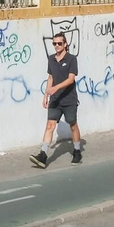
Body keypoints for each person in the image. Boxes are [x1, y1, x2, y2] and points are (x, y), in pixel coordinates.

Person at [32, 32, 82, 167]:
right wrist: (46, 95)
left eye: (59, 43)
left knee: (72, 124)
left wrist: (56, 88)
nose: (57, 46)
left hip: (69, 99)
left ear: (65, 44)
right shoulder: (51, 59)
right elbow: (50, 77)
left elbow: (71, 79)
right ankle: (43, 155)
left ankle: (77, 150)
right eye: (54, 43)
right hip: (55, 99)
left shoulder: (72, 59)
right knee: (50, 126)